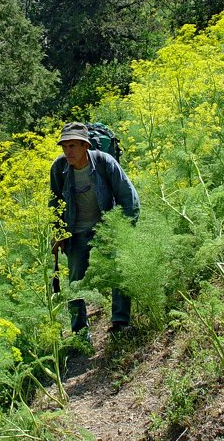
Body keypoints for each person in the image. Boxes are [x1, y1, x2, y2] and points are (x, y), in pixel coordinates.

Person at [50, 121, 140, 337]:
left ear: (85, 146)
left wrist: (123, 229)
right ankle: (80, 334)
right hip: (76, 231)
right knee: (74, 282)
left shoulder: (104, 162)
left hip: (106, 227)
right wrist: (58, 233)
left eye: (72, 146)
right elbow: (54, 203)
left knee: (120, 269)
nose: (68, 151)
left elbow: (129, 198)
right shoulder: (59, 168)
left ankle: (120, 323)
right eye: (64, 146)